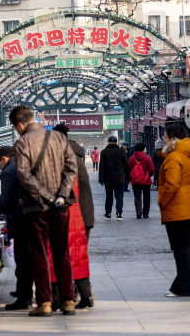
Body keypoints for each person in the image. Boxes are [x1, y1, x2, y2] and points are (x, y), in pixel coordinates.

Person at [10, 106, 78, 317]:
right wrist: (60, 195)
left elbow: (24, 174)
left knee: (39, 253)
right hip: (61, 206)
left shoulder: (22, 142)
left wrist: (46, 196)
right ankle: (68, 301)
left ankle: (45, 302)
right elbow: (71, 167)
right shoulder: (59, 138)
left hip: (36, 207)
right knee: (62, 252)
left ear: (20, 125)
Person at [157, 123, 190, 297]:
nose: (163, 138)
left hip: (178, 207)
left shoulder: (174, 157)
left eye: (164, 135)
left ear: (171, 137)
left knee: (181, 249)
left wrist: (162, 201)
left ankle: (183, 287)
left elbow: (172, 183)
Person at [53, 124, 95, 309]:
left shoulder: (65, 158)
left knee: (65, 257)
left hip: (72, 214)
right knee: (78, 257)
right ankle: (82, 296)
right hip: (82, 214)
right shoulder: (74, 154)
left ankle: (65, 298)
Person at [0, 145, 33, 311]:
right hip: (28, 217)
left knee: (22, 260)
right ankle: (24, 293)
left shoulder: (9, 172)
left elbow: (6, 198)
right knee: (26, 259)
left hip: (18, 220)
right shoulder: (22, 164)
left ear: (4, 159)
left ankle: (24, 298)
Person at [98, 135, 130, 220]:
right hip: (120, 179)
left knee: (109, 196)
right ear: (116, 142)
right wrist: (128, 177)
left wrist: (101, 179)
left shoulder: (104, 152)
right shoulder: (121, 151)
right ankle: (119, 214)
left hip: (108, 179)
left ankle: (108, 213)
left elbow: (101, 167)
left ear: (108, 142)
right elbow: (126, 165)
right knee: (119, 196)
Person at [128, 142, 155, 219]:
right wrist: (148, 175)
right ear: (143, 149)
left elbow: (129, 169)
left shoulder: (131, 158)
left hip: (135, 181)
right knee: (147, 197)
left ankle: (138, 213)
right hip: (146, 181)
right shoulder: (147, 158)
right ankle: (145, 214)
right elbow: (152, 169)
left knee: (137, 197)